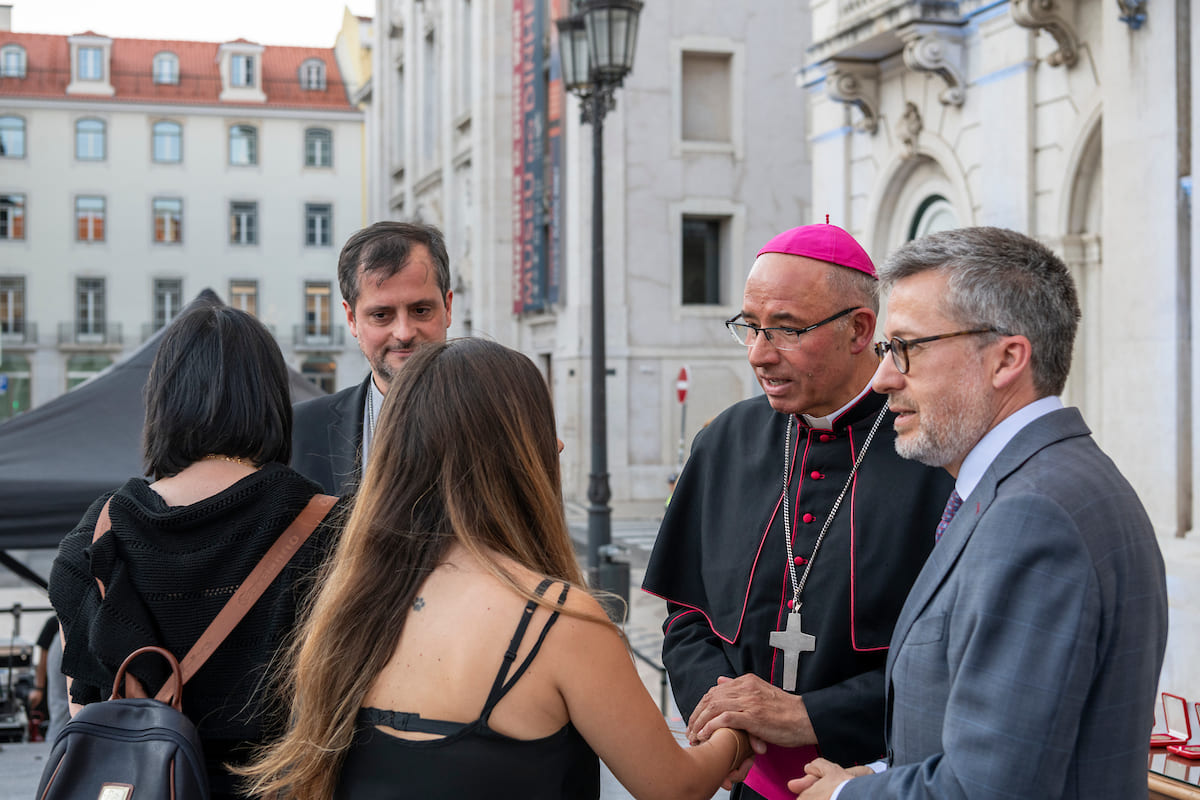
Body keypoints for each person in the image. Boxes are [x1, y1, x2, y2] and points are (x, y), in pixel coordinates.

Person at [239, 339, 753, 800]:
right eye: (540, 426)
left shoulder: (352, 600)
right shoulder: (560, 621)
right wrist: (737, 732)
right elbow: (675, 786)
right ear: (513, 452)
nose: (557, 446)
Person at [790, 226, 1169, 800]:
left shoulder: (1035, 517)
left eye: (907, 348)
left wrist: (843, 797)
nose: (884, 378)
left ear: (1006, 359)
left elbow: (989, 789)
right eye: (885, 351)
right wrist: (878, 775)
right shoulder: (1042, 483)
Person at [643, 223, 954, 799]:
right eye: (750, 328)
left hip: (881, 779)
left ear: (860, 330)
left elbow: (953, 660)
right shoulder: (725, 440)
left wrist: (812, 715)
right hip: (747, 778)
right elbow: (687, 615)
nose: (760, 354)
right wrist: (725, 716)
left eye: (786, 330)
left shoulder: (933, 454)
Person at [49, 301, 345, 800]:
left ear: (163, 399)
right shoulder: (328, 525)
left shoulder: (100, 532)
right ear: (272, 397)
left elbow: (87, 709)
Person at [291, 221, 454, 494]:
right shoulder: (302, 431)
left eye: (421, 310)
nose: (403, 333)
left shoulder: (501, 424)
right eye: (381, 315)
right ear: (351, 318)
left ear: (448, 307)